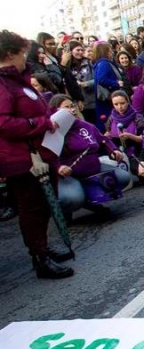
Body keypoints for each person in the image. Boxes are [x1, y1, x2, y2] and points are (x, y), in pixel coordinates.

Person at [0, 30, 74, 278]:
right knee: (32, 208)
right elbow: (4, 123)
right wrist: (40, 123)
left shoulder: (17, 80)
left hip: (40, 153)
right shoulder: (2, 83)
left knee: (43, 206)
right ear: (9, 54)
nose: (25, 57)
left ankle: (42, 247)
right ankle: (39, 258)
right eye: (21, 53)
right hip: (22, 160)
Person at [50, 94, 128, 218]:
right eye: (67, 107)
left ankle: (89, 199)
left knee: (123, 177)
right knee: (73, 198)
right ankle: (66, 208)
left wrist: (113, 151)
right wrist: (58, 168)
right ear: (56, 112)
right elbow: (48, 157)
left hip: (94, 169)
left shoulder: (85, 125)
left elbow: (103, 140)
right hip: (69, 176)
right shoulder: (52, 133)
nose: (72, 110)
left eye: (72, 106)